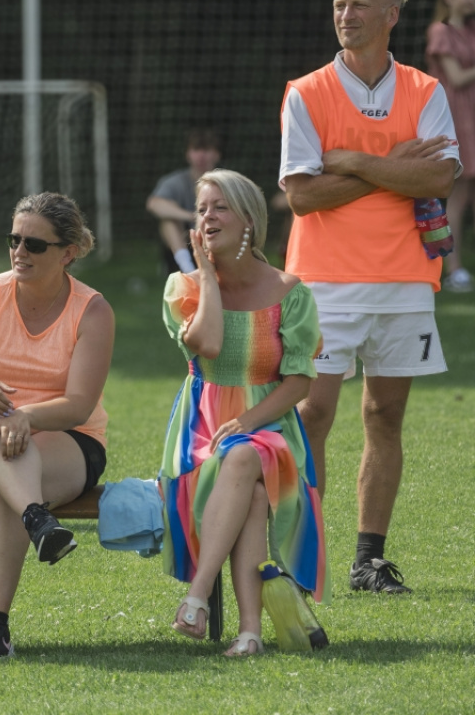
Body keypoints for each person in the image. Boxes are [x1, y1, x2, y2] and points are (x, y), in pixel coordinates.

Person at [281, 0, 458, 594]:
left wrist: (354, 162)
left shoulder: (425, 90)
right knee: (312, 416)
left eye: (360, 3)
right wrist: (390, 166)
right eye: (338, 3)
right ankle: (305, 558)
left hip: (407, 280)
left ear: (393, 13)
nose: (345, 13)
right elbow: (303, 196)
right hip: (325, 282)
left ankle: (368, 562)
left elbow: (438, 175)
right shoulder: (306, 92)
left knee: (385, 417)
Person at [0, 192, 113, 658]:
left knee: (4, 479)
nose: (20, 252)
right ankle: (37, 519)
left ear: (68, 253)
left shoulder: (93, 310)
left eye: (35, 245)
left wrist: (26, 417)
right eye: (14, 239)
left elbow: (78, 406)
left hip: (65, 441)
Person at [161, 170, 327, 657]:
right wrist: (209, 276)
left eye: (220, 207)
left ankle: (197, 597)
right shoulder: (184, 286)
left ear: (250, 220)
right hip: (200, 430)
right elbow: (206, 343)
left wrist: (252, 422)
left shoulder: (290, 292)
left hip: (272, 427)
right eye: (201, 209)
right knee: (250, 493)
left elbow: (299, 381)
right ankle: (250, 632)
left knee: (243, 458)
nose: (207, 217)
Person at [428, 0, 475, 292]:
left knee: (467, 196)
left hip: (472, 115)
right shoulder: (439, 32)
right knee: (457, 196)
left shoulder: (471, 32)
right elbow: (456, 78)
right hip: (455, 118)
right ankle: (453, 270)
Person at [147, 129, 223, 275]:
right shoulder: (175, 181)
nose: (201, 156)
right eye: (196, 149)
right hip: (187, 241)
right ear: (188, 154)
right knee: (168, 221)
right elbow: (154, 204)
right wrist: (191, 216)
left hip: (218, 236)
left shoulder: (229, 183)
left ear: (217, 154)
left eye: (206, 150)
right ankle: (187, 268)